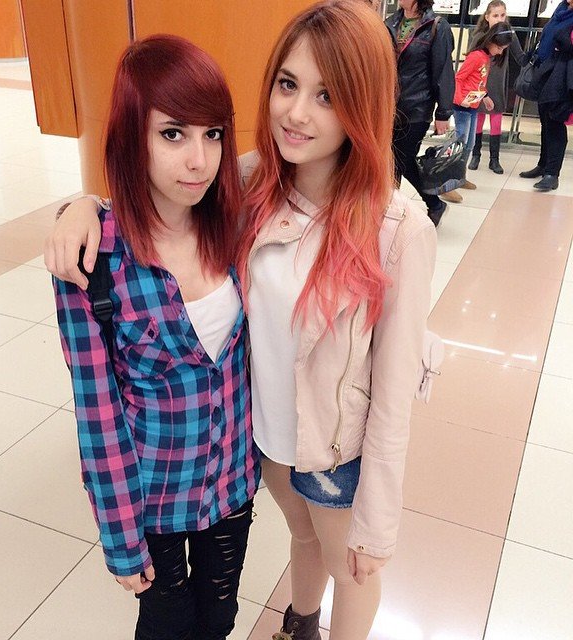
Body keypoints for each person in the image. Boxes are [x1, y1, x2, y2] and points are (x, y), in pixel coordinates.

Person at [45, 2, 437, 639]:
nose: (297, 113)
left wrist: (379, 521)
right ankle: (299, 624)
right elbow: (155, 193)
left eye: (327, 96)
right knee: (300, 541)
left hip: (334, 451)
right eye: (287, 84)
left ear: (362, 105)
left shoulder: (395, 227)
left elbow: (395, 393)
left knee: (350, 569)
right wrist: (80, 206)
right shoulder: (253, 184)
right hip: (263, 441)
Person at [52, 35, 259, 640]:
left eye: (212, 134)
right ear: (131, 138)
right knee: (167, 625)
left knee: (219, 617)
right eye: (173, 134)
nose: (199, 160)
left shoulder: (236, 224)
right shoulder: (94, 260)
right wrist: (120, 537)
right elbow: (97, 411)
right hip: (154, 496)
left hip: (232, 482)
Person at [385, 0, 455, 227]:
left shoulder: (436, 26)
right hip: (388, 107)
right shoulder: (390, 23)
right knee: (389, 161)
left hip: (417, 106)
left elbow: (443, 71)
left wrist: (443, 113)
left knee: (403, 159)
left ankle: (434, 203)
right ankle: (389, 207)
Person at [441, 22, 513, 202]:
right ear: (491, 41)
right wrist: (460, 100)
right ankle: (447, 183)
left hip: (473, 105)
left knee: (470, 143)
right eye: (499, 48)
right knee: (459, 142)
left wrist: (485, 96)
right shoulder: (476, 56)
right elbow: (459, 78)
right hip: (462, 106)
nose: (500, 52)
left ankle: (459, 177)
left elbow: (478, 81)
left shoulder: (486, 58)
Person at [519, 0, 573, 191]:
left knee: (555, 121)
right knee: (545, 121)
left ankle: (552, 174)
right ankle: (543, 165)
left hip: (562, 76)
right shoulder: (561, 9)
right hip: (545, 71)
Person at [468, 1, 526, 174]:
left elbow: (520, 56)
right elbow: (471, 58)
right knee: (478, 118)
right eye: (495, 15)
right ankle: (476, 154)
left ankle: (494, 159)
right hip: (480, 82)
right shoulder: (479, 35)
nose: (499, 19)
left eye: (502, 15)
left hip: (498, 83)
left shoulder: (509, 34)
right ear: (487, 17)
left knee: (496, 119)